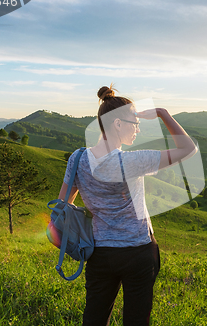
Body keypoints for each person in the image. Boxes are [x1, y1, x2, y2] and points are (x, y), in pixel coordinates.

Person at [58, 85, 197, 326]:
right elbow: (188, 149)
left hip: (98, 252)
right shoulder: (132, 160)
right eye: (134, 121)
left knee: (94, 319)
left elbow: (63, 204)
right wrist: (163, 114)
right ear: (117, 124)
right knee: (136, 320)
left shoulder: (77, 158)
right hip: (138, 251)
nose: (138, 127)